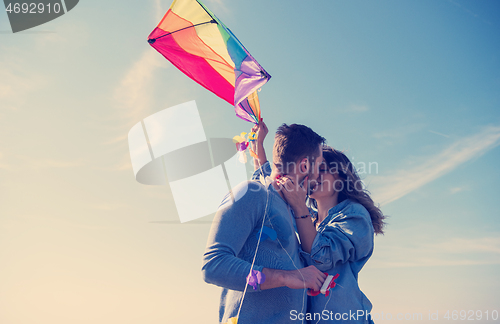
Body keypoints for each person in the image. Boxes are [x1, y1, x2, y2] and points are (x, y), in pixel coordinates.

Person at [251, 121, 386, 324]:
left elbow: (321, 256)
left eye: (323, 169)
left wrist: (299, 208)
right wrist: (259, 147)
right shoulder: (305, 217)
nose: (315, 175)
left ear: (340, 176)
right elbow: (271, 186)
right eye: (312, 169)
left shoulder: (355, 215)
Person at [202, 123, 328, 324]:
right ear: (304, 166)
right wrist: (286, 277)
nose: (320, 175)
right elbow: (213, 265)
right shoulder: (251, 193)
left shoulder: (291, 208)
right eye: (319, 166)